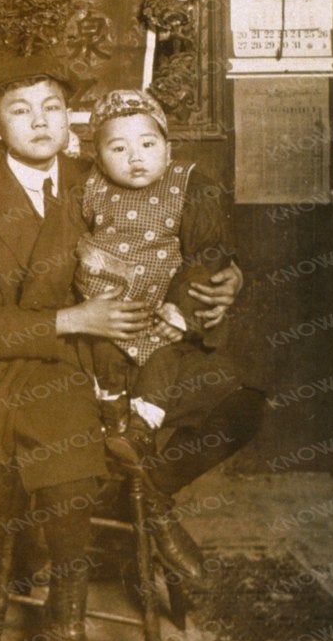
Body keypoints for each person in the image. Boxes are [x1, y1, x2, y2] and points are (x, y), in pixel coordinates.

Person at [0, 55, 245, 641]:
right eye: (20, 111)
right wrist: (73, 321)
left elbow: (184, 240)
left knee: (239, 399)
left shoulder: (103, 174)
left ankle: (144, 498)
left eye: (50, 107)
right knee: (65, 418)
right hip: (28, 362)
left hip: (131, 350)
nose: (39, 122)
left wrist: (228, 281)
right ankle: (72, 591)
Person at [73, 88, 264, 581]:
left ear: (167, 146)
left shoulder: (190, 184)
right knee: (103, 378)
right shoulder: (84, 188)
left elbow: (209, 252)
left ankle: (139, 476)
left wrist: (186, 307)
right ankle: (148, 508)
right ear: (95, 152)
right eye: (117, 147)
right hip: (96, 325)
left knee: (238, 400)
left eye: (147, 144)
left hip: (166, 318)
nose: (135, 158)